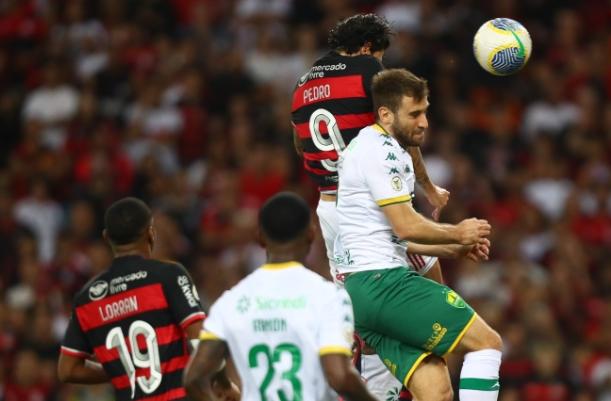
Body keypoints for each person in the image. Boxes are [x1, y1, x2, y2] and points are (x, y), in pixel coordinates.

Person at [291, 14, 461, 400]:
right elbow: (401, 132)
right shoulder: (367, 69)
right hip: (371, 207)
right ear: (368, 48)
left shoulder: (302, 84)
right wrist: (429, 188)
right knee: (434, 302)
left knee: (363, 314)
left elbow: (300, 145)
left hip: (330, 210)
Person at [336, 68, 503, 401]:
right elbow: (405, 226)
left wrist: (452, 247)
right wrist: (457, 232)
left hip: (362, 291)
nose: (424, 122)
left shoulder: (376, 147)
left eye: (425, 111)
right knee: (487, 344)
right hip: (384, 284)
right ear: (385, 114)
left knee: (436, 391)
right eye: (414, 113)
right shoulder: (379, 152)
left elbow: (389, 237)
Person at [183, 192, 379, 401]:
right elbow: (339, 377)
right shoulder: (328, 297)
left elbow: (194, 378)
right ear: (311, 234)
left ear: (259, 237)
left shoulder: (232, 301)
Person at [57, 197, 221, 401]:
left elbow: (67, 370)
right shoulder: (168, 275)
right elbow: (201, 339)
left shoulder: (87, 299)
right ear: (150, 233)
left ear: (107, 237)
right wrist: (222, 383)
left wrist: (123, 369)